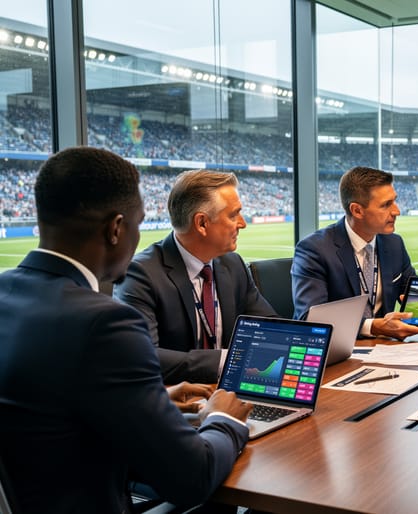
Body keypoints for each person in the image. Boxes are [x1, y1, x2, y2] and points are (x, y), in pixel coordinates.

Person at [0, 147, 252, 513]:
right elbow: (191, 477)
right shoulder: (105, 324)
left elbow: (50, 410)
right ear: (116, 228)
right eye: (138, 224)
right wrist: (223, 417)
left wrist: (158, 398)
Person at [114, 169, 276, 384]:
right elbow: (143, 356)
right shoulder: (141, 274)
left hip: (232, 392)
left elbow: (270, 327)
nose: (242, 223)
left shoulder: (233, 264)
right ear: (201, 223)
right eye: (233, 214)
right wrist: (226, 361)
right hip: (178, 403)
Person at [291, 166, 418, 340]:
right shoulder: (314, 250)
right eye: (386, 205)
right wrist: (374, 327)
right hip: (333, 353)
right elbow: (310, 318)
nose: (396, 211)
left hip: (384, 350)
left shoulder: (394, 244)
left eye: (394, 201)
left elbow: (412, 294)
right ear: (357, 210)